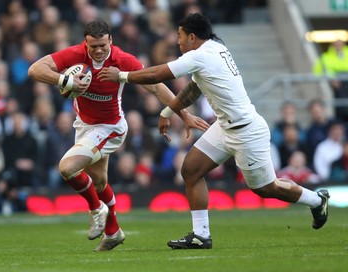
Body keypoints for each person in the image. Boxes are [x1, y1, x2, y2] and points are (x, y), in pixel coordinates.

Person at [98, 13, 331, 250]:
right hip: (225, 127)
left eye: (180, 36)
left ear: (192, 36)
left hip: (246, 131)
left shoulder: (202, 55)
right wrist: (167, 112)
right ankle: (201, 235)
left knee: (265, 188)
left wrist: (122, 76)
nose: (177, 42)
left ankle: (316, 200)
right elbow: (194, 88)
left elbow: (158, 74)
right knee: (190, 170)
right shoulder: (212, 50)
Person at [27, 20, 201, 251]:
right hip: (84, 126)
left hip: (111, 127)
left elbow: (156, 87)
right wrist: (64, 80)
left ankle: (96, 210)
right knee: (99, 184)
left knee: (67, 168)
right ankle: (113, 232)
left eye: (102, 45)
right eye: (93, 46)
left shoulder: (123, 60)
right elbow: (35, 69)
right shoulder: (76, 54)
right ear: (85, 43)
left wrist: (183, 114)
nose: (98, 50)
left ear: (111, 40)